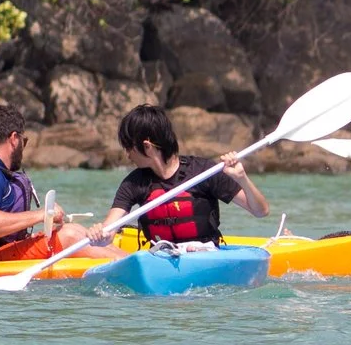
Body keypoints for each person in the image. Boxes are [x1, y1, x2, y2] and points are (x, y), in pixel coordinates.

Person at [0, 104, 115, 263]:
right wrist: (42, 214)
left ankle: (134, 259)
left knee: (72, 230)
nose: (23, 146)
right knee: (68, 236)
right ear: (14, 139)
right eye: (24, 141)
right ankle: (135, 265)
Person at [107, 104, 270, 247]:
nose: (128, 155)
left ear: (147, 146)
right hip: (161, 259)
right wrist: (99, 234)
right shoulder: (134, 183)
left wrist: (241, 178)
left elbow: (260, 211)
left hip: (205, 258)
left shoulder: (203, 172)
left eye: (129, 147)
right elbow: (108, 233)